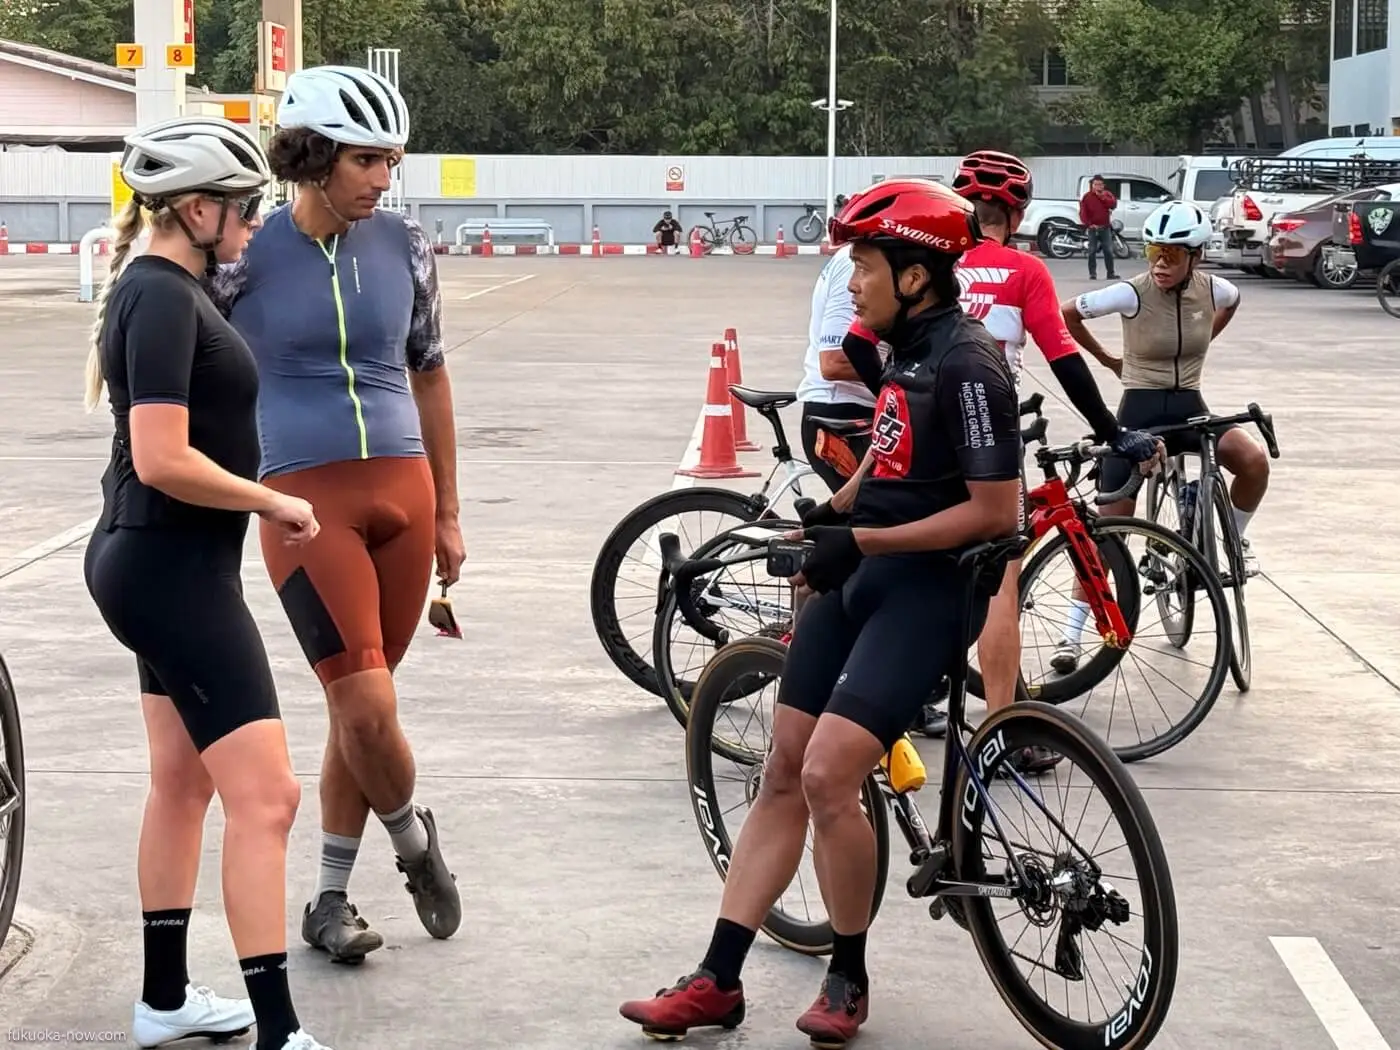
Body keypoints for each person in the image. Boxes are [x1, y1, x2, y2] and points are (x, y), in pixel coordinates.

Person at [620, 178, 1024, 1048]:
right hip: (860, 574)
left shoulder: (969, 363)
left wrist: (863, 542)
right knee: (783, 768)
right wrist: (830, 515)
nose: (853, 283)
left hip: (927, 592)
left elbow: (997, 513)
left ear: (915, 276)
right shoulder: (903, 352)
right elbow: (890, 454)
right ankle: (718, 979)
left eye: (866, 266)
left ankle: (849, 976)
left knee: (829, 776)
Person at [81, 115, 333, 1050]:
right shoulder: (159, 297)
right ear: (196, 210)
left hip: (158, 563)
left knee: (183, 783)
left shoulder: (165, 290)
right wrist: (270, 501)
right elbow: (160, 457)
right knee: (268, 798)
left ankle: (165, 1000)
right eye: (245, 206)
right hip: (171, 572)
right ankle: (279, 1031)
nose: (256, 221)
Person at [206, 64, 463, 964]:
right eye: (365, 160)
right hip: (303, 503)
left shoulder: (406, 243)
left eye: (391, 161)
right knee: (364, 703)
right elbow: (190, 369)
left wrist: (449, 512)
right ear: (311, 157)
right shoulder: (244, 254)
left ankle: (327, 901)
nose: (383, 179)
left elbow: (431, 371)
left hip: (405, 491)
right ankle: (414, 840)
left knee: (358, 711)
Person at [910, 150, 1160, 771]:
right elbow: (1064, 358)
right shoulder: (1024, 270)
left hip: (915, 436)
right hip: (985, 442)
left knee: (911, 571)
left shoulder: (928, 263)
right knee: (1001, 586)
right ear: (1017, 215)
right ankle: (1002, 732)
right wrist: (1114, 432)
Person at [1058, 198, 1264, 669]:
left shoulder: (1216, 289)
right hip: (1139, 414)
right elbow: (1068, 313)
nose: (1161, 263)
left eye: (1172, 254)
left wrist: (1204, 340)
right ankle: (1071, 633)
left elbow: (1233, 301)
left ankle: (1231, 538)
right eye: (1154, 252)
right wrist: (1109, 360)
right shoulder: (1131, 293)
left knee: (1253, 461)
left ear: (1197, 256)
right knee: (1109, 526)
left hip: (1191, 409)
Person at [795, 240, 878, 492]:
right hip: (842, 414)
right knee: (869, 511)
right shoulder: (854, 264)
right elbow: (834, 362)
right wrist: (910, 375)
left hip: (856, 408)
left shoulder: (863, 259)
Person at [1079, 175, 1118, 280]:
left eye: (1100, 184)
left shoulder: (1107, 194)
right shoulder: (1087, 197)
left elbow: (1113, 205)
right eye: (1095, 184)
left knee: (1108, 250)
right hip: (1093, 228)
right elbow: (1083, 212)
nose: (1098, 186)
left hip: (1105, 227)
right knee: (1092, 251)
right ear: (1092, 185)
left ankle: (1110, 273)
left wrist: (1102, 197)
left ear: (1103, 185)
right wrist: (1089, 224)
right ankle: (1092, 273)